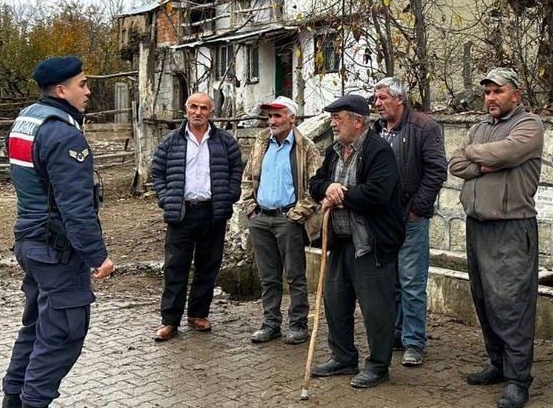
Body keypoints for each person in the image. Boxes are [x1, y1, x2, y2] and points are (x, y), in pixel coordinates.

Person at [0, 56, 116, 408]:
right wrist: (97, 256)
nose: (88, 91)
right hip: (56, 247)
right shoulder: (63, 135)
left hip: (31, 240)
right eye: (82, 84)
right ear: (61, 90)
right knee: (64, 331)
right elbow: (75, 206)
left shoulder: (27, 119)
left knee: (35, 327)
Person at [448, 67, 544, 408]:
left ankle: (519, 379)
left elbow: (507, 153)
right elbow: (455, 163)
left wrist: (479, 154)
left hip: (511, 226)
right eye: (487, 92)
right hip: (477, 225)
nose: (490, 98)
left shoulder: (529, 124)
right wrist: (483, 160)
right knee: (485, 299)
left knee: (511, 303)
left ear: (515, 95)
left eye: (497, 92)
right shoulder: (479, 128)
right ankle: (498, 364)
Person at [308, 94, 406, 389]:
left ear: (358, 121)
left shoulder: (378, 151)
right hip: (339, 241)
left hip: (371, 244)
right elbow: (315, 184)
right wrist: (328, 187)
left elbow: (378, 193)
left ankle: (378, 365)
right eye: (332, 117)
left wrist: (343, 195)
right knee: (335, 301)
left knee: (376, 308)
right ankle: (343, 357)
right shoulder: (334, 151)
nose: (332, 123)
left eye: (338, 118)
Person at [150, 92, 243, 341]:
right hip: (181, 214)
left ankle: (198, 314)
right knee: (175, 267)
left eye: (204, 108)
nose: (198, 112)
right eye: (194, 107)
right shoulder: (172, 141)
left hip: (213, 213)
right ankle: (169, 321)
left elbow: (237, 170)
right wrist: (166, 197)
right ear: (186, 110)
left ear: (211, 112)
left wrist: (230, 194)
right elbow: (156, 172)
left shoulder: (225, 141)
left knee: (208, 266)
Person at [372, 77, 447, 367]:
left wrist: (418, 207)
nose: (377, 104)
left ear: (400, 99)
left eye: (382, 98)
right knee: (390, 282)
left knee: (412, 283)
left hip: (411, 219)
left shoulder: (423, 127)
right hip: (384, 221)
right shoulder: (377, 131)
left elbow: (437, 170)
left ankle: (414, 341)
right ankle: (396, 333)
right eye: (375, 99)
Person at [238, 96, 323, 344]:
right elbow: (248, 176)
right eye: (270, 116)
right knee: (268, 276)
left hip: (288, 219)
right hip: (261, 217)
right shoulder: (262, 142)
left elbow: (315, 185)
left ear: (292, 118)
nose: (272, 120)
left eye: (277, 115)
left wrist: (296, 215)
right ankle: (271, 323)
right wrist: (250, 208)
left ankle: (298, 324)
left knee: (295, 276)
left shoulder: (305, 147)